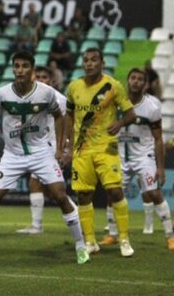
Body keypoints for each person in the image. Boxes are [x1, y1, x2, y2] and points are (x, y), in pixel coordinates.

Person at [0, 51, 88, 265]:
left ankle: (81, 246)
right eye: (17, 66)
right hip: (12, 154)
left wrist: (61, 148)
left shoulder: (46, 93)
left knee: (61, 195)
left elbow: (59, 117)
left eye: (24, 66)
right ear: (13, 68)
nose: (20, 70)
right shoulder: (1, 94)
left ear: (31, 69)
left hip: (40, 152)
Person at [62, 47, 137, 257]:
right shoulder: (74, 87)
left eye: (93, 60)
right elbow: (68, 114)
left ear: (101, 63)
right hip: (81, 149)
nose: (89, 63)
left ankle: (123, 239)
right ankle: (91, 242)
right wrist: (68, 144)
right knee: (84, 194)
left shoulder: (113, 86)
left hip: (107, 146)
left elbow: (131, 113)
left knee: (114, 191)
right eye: (86, 60)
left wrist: (120, 122)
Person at [99, 68, 173, 251]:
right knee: (112, 194)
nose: (136, 81)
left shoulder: (152, 107)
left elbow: (158, 139)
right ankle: (113, 235)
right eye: (133, 78)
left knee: (155, 193)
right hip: (120, 157)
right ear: (127, 80)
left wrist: (160, 168)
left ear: (145, 84)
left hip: (144, 157)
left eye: (140, 79)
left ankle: (170, 236)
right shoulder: (115, 103)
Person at [16, 66, 68, 234]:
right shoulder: (31, 99)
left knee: (50, 190)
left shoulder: (59, 99)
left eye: (44, 77)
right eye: (37, 76)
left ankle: (38, 225)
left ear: (51, 80)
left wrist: (64, 148)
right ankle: (37, 225)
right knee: (47, 189)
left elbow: (68, 124)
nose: (40, 79)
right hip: (40, 147)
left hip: (53, 147)